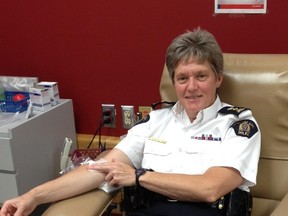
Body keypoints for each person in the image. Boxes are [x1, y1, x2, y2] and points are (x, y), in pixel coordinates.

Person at [0, 28, 260, 216]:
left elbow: (210, 188)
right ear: (174, 83)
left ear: (218, 79)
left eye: (201, 76)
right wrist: (32, 196)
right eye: (182, 78)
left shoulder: (238, 126)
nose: (191, 87)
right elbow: (100, 169)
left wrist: (138, 176)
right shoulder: (155, 121)